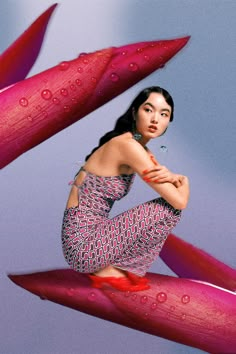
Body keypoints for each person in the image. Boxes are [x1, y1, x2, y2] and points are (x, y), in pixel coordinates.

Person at [61, 86, 190, 291]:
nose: (155, 119)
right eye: (148, 110)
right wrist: (184, 181)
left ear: (168, 122)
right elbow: (179, 201)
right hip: (83, 247)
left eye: (164, 114)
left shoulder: (140, 149)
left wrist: (175, 179)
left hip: (95, 241)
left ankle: (116, 269)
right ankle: (110, 270)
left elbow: (173, 190)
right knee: (170, 209)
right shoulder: (127, 146)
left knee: (170, 209)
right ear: (134, 111)